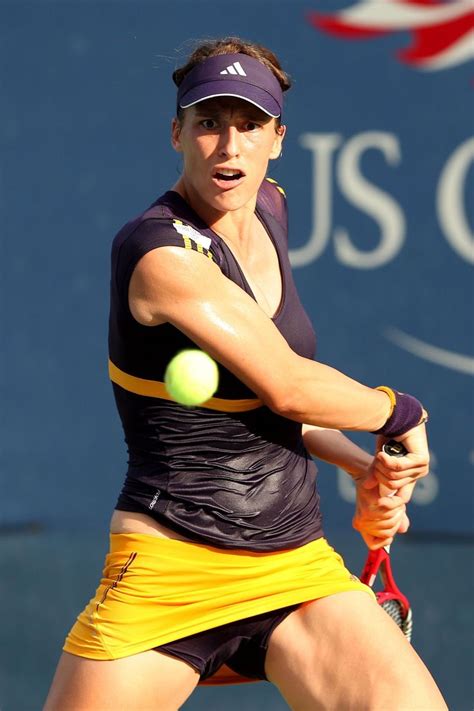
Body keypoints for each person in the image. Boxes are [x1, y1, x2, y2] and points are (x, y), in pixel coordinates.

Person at [44, 37, 447, 711]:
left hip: (294, 564)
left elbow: (270, 398)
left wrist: (356, 465)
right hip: (170, 568)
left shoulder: (270, 209)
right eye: (208, 123)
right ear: (178, 132)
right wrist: (401, 412)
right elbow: (287, 382)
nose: (229, 148)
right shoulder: (157, 253)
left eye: (250, 125)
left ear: (278, 138)